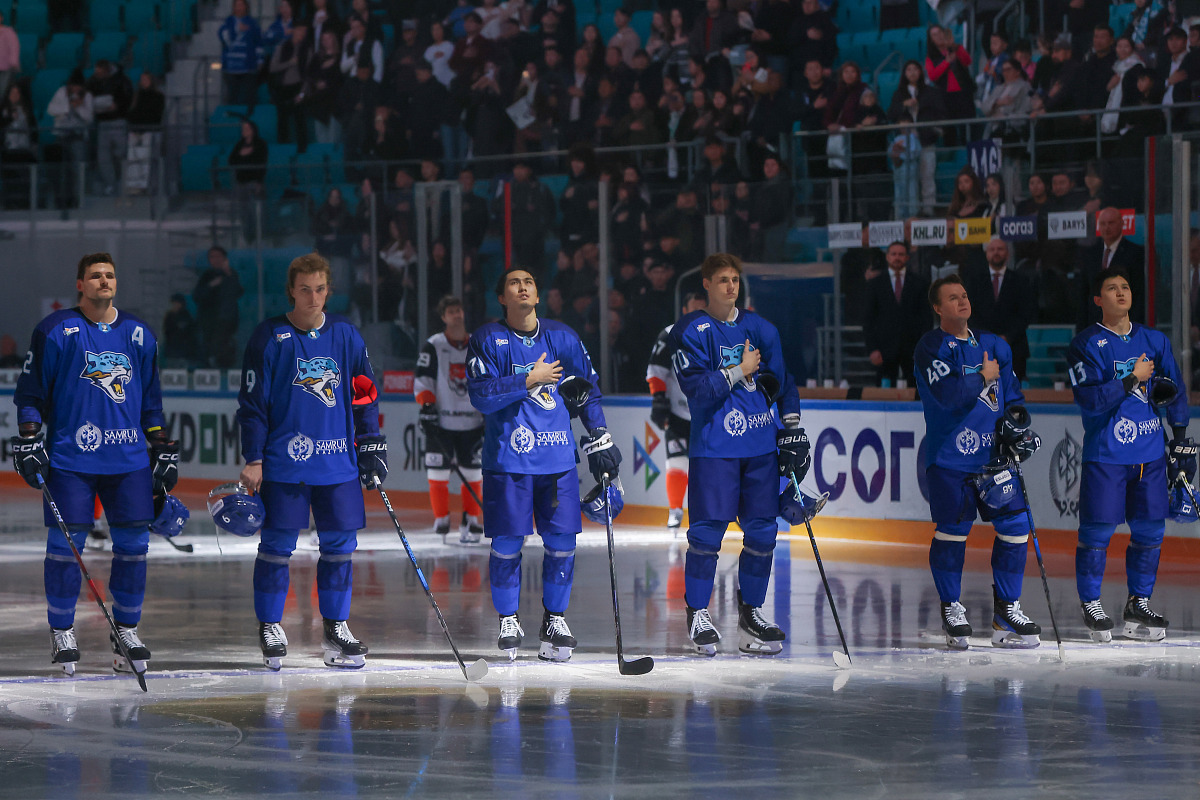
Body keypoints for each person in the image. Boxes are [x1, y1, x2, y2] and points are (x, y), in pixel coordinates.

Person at [10, 253, 178, 676]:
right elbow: (31, 393)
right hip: (72, 459)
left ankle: (126, 631)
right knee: (65, 548)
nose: (104, 281)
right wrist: (29, 439)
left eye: (110, 275)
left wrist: (161, 445)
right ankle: (62, 631)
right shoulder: (56, 330)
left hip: (129, 461)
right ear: (80, 284)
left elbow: (151, 401)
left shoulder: (139, 334)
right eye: (95, 276)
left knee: (134, 548)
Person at [236, 253, 386, 670]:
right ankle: (270, 625)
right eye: (305, 289)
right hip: (285, 464)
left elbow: (365, 391)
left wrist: (371, 442)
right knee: (277, 546)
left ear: (328, 291)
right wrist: (254, 457)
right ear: (291, 291)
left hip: (338, 463)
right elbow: (253, 405)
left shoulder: (345, 334)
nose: (313, 297)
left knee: (340, 546)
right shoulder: (269, 337)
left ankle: (336, 627)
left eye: (320, 289)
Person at [466, 267, 622, 662]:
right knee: (507, 543)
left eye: (529, 283)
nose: (522, 287)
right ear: (501, 297)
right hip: (509, 461)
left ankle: (555, 621)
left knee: (562, 542)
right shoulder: (487, 339)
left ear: (537, 295)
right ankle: (508, 620)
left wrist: (599, 436)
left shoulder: (563, 337)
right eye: (513, 283)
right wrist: (528, 379)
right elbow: (481, 395)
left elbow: (587, 391)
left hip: (557, 460)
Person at [670, 252, 806, 657]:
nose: (731, 286)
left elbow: (784, 381)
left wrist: (792, 429)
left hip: (760, 447)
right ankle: (698, 613)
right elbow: (699, 391)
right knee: (707, 534)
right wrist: (739, 370)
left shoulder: (761, 328)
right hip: (715, 448)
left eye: (735, 279)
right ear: (706, 285)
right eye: (723, 280)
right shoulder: (690, 330)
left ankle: (752, 614)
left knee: (763, 532)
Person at [913, 273, 1043, 651]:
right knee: (954, 531)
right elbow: (949, 394)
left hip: (994, 458)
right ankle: (951, 607)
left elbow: (1012, 395)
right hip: (950, 458)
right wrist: (983, 377)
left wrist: (1018, 428)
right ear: (938, 308)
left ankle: (1006, 613)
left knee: (1016, 526)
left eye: (965, 294)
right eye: (953, 297)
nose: (962, 301)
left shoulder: (994, 344)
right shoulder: (931, 346)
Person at [1067, 267, 1191, 643]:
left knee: (1151, 529)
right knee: (1097, 531)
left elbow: (1176, 389)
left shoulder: (1154, 340)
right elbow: (1090, 400)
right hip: (1107, 453)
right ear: (1097, 299)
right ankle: (1092, 603)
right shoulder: (1085, 344)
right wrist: (1132, 378)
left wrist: (1179, 440)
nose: (1121, 292)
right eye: (1111, 288)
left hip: (1150, 454)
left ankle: (1138, 604)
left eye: (1125, 287)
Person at [415, 295, 485, 542]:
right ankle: (441, 518)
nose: (456, 315)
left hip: (473, 423)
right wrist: (426, 404)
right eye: (451, 311)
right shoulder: (433, 345)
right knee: (437, 472)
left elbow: (486, 379)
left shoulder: (477, 345)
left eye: (459, 310)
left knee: (473, 473)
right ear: (443, 317)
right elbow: (423, 378)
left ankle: (471, 519)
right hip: (441, 424)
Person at [646, 291, 708, 530]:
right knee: (677, 463)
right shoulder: (670, 335)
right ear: (684, 310)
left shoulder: (716, 333)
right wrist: (658, 400)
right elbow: (656, 370)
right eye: (693, 307)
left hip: (708, 413)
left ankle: (711, 512)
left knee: (711, 466)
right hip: (677, 412)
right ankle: (675, 511)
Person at [961, 239, 1036, 380]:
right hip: (982, 349)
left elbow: (1025, 314)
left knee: (1011, 390)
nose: (996, 252)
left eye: (1000, 249)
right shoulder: (974, 281)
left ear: (1007, 254)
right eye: (992, 249)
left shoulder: (1021, 281)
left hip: (1014, 348)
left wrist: (1007, 337)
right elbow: (969, 313)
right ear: (986, 254)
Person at [863, 242, 932, 386]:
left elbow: (926, 319)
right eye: (893, 254)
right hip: (884, 349)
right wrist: (872, 349)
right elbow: (868, 320)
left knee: (916, 389)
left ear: (907, 257)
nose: (897, 258)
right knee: (884, 392)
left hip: (912, 349)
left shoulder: (919, 283)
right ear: (887, 257)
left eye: (901, 254)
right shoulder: (875, 284)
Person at [1077, 207, 1146, 329]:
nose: (1106, 228)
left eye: (1111, 223)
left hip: (1123, 327)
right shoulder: (1090, 254)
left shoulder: (1136, 253)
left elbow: (1138, 295)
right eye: (1103, 224)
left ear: (1122, 224)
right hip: (1095, 326)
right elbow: (1084, 294)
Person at [192, 246, 244, 368]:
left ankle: (223, 365)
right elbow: (197, 296)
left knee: (222, 344)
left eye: (218, 256)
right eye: (212, 257)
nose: (215, 260)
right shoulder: (207, 275)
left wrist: (228, 273)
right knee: (208, 345)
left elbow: (237, 292)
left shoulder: (231, 274)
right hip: (208, 318)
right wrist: (211, 285)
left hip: (226, 318)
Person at [220, 0, 263, 107]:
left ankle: (249, 117)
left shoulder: (252, 23)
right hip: (231, 69)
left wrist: (260, 60)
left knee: (249, 98)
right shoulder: (228, 22)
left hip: (248, 67)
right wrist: (236, 29)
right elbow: (224, 38)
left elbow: (258, 43)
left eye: (241, 5)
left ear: (246, 7)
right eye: (237, 5)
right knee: (233, 98)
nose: (239, 8)